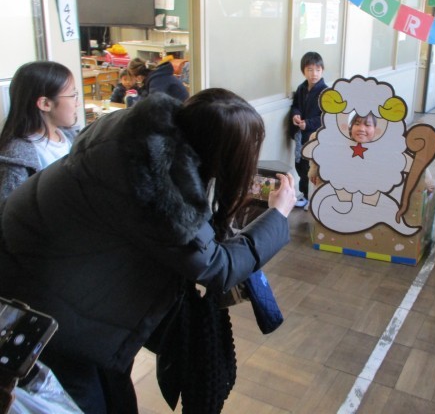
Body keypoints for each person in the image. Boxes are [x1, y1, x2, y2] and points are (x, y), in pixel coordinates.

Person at [0, 89, 297, 413]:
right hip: (51, 314)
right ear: (219, 153)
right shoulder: (159, 191)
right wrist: (279, 214)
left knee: (113, 395)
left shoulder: (139, 134)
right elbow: (218, 267)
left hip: (37, 279)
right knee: (92, 402)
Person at [0, 61, 78, 201]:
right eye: (73, 95)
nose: (77, 103)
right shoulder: (17, 156)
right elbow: (9, 209)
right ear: (45, 104)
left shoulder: (72, 137)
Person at [289, 51, 327, 208]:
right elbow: (295, 106)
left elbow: (325, 117)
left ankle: (314, 198)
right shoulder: (302, 88)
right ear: (303, 71)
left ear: (322, 71)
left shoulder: (326, 92)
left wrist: (308, 124)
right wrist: (296, 115)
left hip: (314, 136)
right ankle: (305, 196)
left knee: (312, 168)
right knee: (300, 165)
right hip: (301, 136)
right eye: (310, 70)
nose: (314, 74)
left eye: (318, 70)